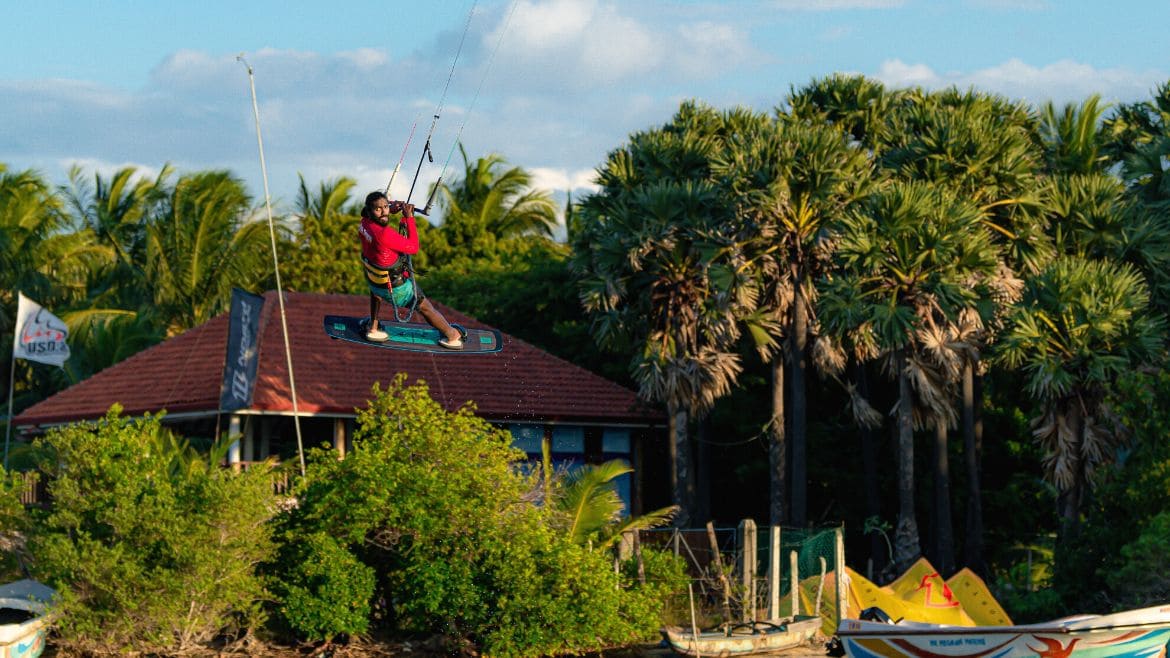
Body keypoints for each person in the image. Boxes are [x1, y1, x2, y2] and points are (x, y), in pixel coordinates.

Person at [358, 191, 463, 349]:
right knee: (425, 306)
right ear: (370, 211)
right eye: (378, 209)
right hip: (396, 289)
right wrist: (409, 218)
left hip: (375, 283)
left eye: (385, 207)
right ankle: (452, 335)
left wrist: (392, 207)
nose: (383, 212)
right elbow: (413, 247)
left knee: (377, 290)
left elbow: (378, 213)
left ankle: (373, 327)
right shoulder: (385, 234)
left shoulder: (363, 224)